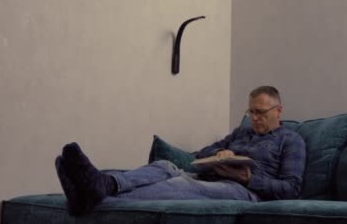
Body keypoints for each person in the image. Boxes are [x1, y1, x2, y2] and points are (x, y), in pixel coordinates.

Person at [55, 86, 306, 215]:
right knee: (165, 166)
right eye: (250, 112)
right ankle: (105, 183)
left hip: (243, 191)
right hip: (210, 177)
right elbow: (201, 153)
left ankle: (88, 195)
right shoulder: (242, 133)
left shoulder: (291, 141)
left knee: (182, 186)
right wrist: (220, 153)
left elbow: (291, 189)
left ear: (278, 111)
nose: (254, 118)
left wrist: (248, 178)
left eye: (260, 112)